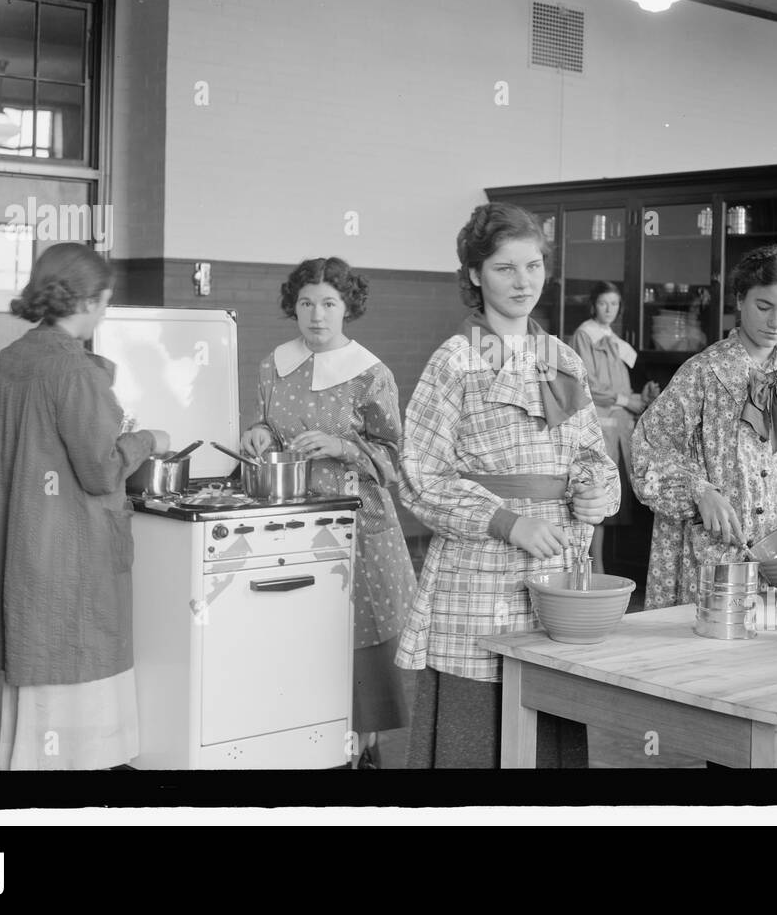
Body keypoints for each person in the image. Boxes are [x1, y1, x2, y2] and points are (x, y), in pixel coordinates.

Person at [395, 202, 620, 768]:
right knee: (479, 730)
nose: (524, 282)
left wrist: (598, 491)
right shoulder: (455, 361)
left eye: (534, 266)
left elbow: (593, 455)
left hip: (560, 575)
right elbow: (419, 475)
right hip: (480, 577)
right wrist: (507, 522)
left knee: (551, 715)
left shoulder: (562, 357)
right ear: (474, 274)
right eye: (504, 268)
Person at [0, 243, 171, 770]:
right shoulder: (75, 370)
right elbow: (100, 471)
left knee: (37, 684)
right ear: (92, 300)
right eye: (106, 302)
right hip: (71, 553)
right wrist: (147, 441)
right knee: (78, 678)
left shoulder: (13, 359)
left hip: (26, 546)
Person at [239, 257, 417, 769]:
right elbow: (269, 425)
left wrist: (342, 446)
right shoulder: (273, 364)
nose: (317, 316)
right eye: (306, 303)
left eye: (329, 304)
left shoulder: (370, 373)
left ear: (348, 308)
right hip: (291, 514)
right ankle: (300, 732)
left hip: (357, 522)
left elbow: (394, 460)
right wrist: (260, 433)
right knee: (298, 625)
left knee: (354, 630)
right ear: (292, 307)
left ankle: (362, 746)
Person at [631, 244, 777, 609]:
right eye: (764, 307)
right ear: (740, 299)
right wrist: (700, 490)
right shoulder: (703, 373)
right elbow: (648, 448)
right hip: (721, 556)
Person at [570, 281, 660, 576]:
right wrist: (625, 399)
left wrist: (640, 396)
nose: (609, 310)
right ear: (593, 305)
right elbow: (587, 385)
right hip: (600, 426)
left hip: (619, 427)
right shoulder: (585, 336)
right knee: (595, 498)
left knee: (611, 503)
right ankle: (593, 568)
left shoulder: (614, 340)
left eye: (615, 304)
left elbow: (622, 387)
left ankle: (602, 568)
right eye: (603, 303)